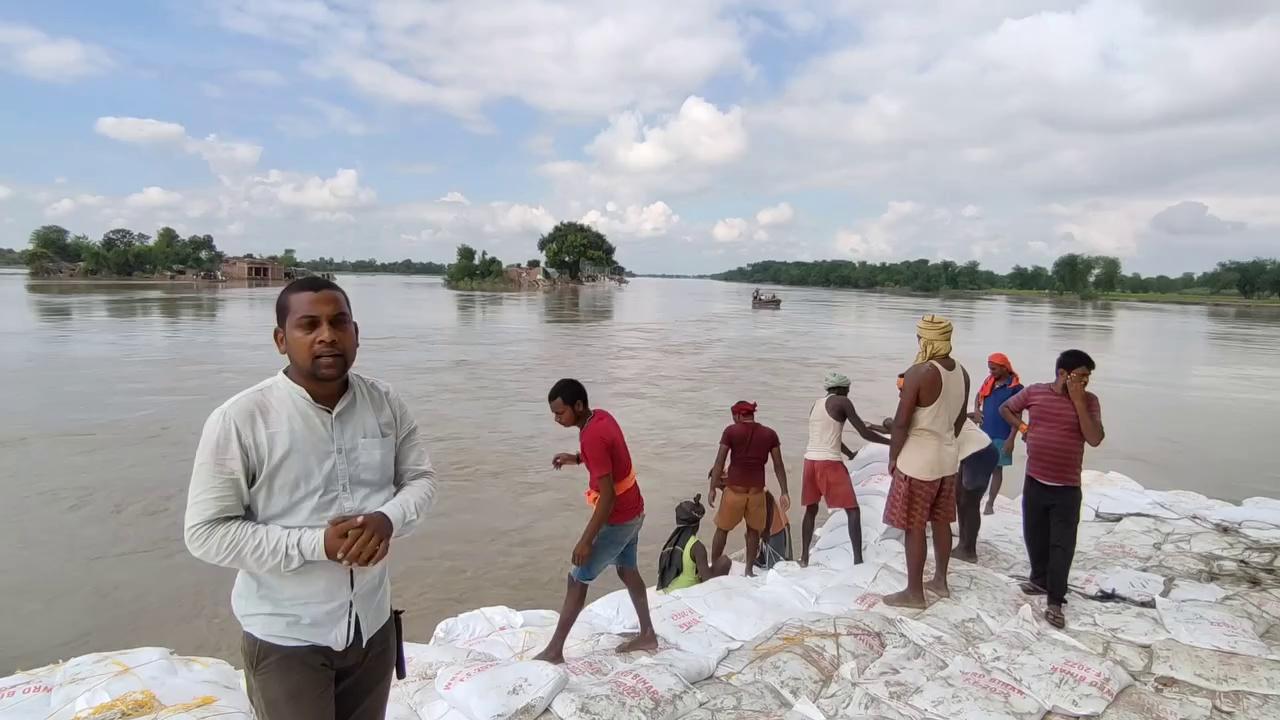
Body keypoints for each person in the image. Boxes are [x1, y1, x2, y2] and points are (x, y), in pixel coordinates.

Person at [184, 277, 438, 720]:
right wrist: (317, 545)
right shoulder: (241, 419)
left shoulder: (384, 403)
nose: (327, 335)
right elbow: (206, 533)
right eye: (309, 325)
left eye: (339, 323)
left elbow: (420, 480)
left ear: (356, 334)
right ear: (282, 340)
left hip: (372, 627)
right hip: (287, 638)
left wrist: (386, 519)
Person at [535, 379, 657, 663]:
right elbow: (606, 458)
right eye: (553, 413)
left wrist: (585, 541)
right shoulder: (600, 418)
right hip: (634, 508)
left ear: (578, 406)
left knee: (577, 577)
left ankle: (554, 651)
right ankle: (648, 633)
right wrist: (576, 458)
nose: (556, 418)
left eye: (560, 413)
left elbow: (608, 497)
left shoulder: (592, 435)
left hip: (620, 517)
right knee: (627, 571)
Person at [1000, 350, 1104, 629]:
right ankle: (1039, 580)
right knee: (1035, 535)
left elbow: (1094, 438)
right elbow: (1006, 408)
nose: (1085, 381)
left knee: (1062, 545)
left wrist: (1079, 401)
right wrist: (1023, 427)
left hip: (1067, 487)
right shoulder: (1036, 393)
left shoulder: (1090, 402)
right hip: (1035, 480)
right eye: (1081, 376)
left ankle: (1055, 601)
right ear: (1062, 374)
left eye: (1087, 377)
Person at [884, 315, 969, 609]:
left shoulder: (919, 372)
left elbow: (900, 423)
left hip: (918, 461)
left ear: (926, 340)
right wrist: (944, 438)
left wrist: (894, 456)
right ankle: (940, 581)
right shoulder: (962, 372)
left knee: (914, 526)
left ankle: (914, 593)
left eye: (920, 338)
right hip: (948, 458)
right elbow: (958, 421)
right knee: (942, 521)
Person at [799, 372, 890, 568]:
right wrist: (891, 442)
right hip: (829, 463)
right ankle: (858, 560)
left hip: (810, 462)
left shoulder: (816, 404)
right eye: (847, 390)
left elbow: (828, 436)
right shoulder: (842, 402)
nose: (848, 394)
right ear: (841, 389)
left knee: (811, 510)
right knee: (853, 510)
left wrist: (850, 454)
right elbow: (864, 432)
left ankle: (804, 558)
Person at [708, 401, 790, 577]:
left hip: (734, 491)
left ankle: (714, 566)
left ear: (738, 416)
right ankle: (749, 570)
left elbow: (719, 461)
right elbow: (778, 465)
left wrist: (712, 488)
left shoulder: (731, 431)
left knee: (722, 529)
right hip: (756, 493)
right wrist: (784, 491)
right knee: (753, 531)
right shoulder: (770, 434)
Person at [973, 353, 1024, 514]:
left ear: (1004, 368)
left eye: (994, 369)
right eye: (989, 368)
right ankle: (977, 498)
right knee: (980, 468)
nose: (991, 372)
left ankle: (991, 502)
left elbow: (1018, 417)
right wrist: (976, 410)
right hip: (985, 432)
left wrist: (1011, 439)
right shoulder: (989, 382)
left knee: (997, 469)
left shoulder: (1015, 388)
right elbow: (978, 395)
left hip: (1003, 434)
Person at [657, 494, 732, 591]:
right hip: (688, 591)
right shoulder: (697, 547)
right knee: (724, 562)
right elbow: (707, 581)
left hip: (669, 590)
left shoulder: (670, 542)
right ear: (697, 524)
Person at [755, 490, 794, 570]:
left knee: (780, 569)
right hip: (763, 529)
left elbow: (768, 499)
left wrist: (766, 531)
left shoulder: (754, 486)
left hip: (776, 527)